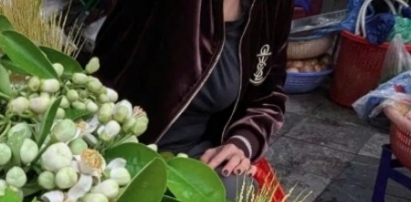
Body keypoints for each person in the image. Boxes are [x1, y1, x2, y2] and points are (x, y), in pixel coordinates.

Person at [92, 0, 292, 188]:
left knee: (235, 189)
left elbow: (268, 95)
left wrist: (242, 142)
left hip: (198, 154)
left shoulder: (271, 7)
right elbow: (104, 74)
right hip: (124, 147)